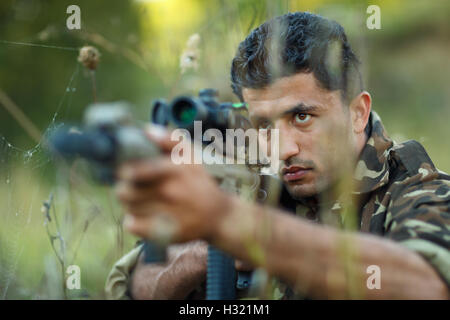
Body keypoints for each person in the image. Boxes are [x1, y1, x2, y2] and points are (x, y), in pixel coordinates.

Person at [105, 12, 449, 300]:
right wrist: (205, 253)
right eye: (264, 125)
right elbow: (134, 284)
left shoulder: (419, 191)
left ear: (358, 113)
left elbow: (430, 286)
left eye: (302, 117)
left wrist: (240, 227)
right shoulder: (248, 183)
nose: (284, 150)